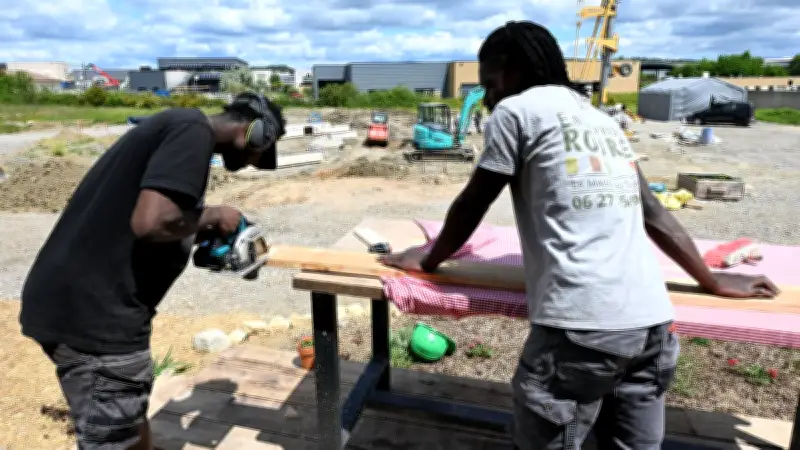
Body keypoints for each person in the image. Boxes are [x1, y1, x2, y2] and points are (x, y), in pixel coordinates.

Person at [380, 21, 779, 450]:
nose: (489, 96)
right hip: (652, 328)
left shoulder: (515, 113)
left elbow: (472, 202)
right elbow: (654, 213)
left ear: (513, 68)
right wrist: (712, 280)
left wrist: (427, 259)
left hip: (580, 329)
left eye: (490, 82)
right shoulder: (600, 119)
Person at [19, 92, 286, 450]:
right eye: (260, 152)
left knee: (129, 419)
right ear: (257, 135)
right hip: (98, 319)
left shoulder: (176, 130)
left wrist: (197, 228)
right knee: (114, 437)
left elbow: (150, 222)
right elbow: (152, 223)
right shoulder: (192, 131)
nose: (254, 161)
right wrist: (216, 215)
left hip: (75, 305)